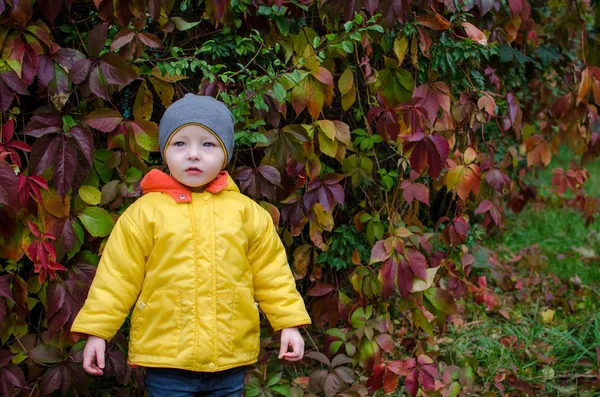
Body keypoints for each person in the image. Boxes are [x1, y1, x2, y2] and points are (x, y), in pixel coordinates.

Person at [71, 94, 312, 397]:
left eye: (208, 144)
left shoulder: (247, 213)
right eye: (180, 143)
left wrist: (288, 324)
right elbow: (116, 278)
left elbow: (273, 275)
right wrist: (97, 332)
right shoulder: (145, 214)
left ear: (225, 153)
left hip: (229, 357)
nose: (193, 155)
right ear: (165, 151)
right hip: (168, 360)